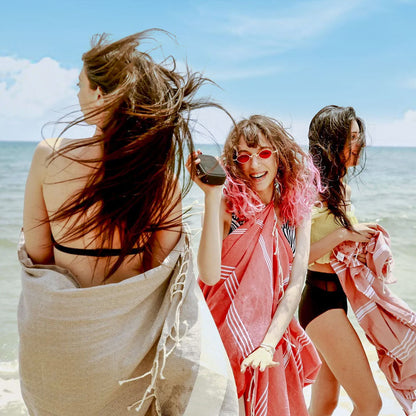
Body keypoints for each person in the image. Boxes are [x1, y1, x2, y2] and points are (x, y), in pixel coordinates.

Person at [18, 30, 238, 416]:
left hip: (63, 347)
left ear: (101, 95)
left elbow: (38, 256)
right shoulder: (160, 176)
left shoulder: (47, 156)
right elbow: (160, 270)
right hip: (128, 360)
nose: (77, 96)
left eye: (80, 86)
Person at [188, 115, 321, 416]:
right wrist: (210, 195)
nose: (253, 165)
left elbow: (295, 285)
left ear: (279, 156)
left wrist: (268, 345)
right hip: (220, 338)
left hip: (271, 338)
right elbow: (208, 276)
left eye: (263, 153)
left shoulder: (297, 211)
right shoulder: (226, 205)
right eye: (244, 156)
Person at [298, 105, 383, 416]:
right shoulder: (309, 190)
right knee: (370, 404)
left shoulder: (340, 189)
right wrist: (346, 234)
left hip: (336, 302)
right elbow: (298, 258)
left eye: (359, 137)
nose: (358, 145)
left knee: (325, 403)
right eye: (351, 138)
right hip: (319, 303)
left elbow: (339, 252)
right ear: (332, 143)